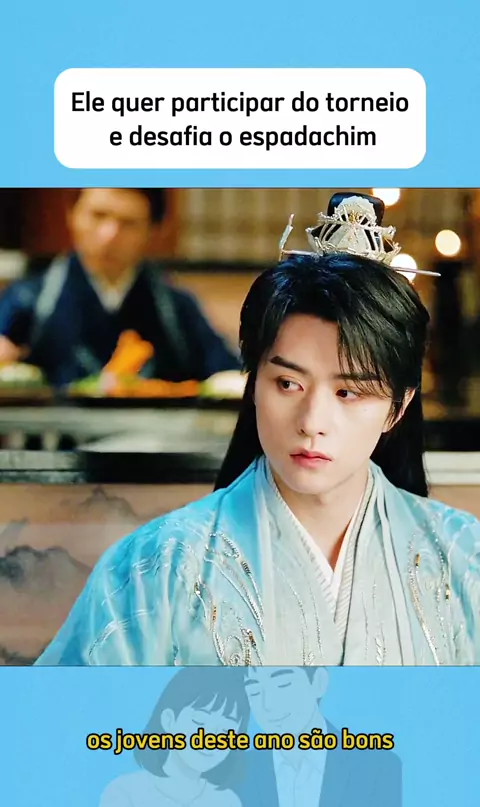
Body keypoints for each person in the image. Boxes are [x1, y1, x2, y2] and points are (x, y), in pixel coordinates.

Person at [34, 192, 480, 666]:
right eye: (287, 383)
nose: (312, 422)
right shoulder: (157, 565)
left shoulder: (464, 556)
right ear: (253, 383)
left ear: (398, 407)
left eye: (348, 393)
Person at [0, 188, 239, 386]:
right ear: (71, 214)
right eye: (98, 216)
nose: (110, 235)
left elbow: (225, 372)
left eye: (128, 223)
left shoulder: (175, 307)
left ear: (153, 230)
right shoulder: (30, 298)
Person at [234, 666, 401, 807]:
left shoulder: (377, 769)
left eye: (283, 684)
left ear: (319, 682)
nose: (268, 705)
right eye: (254, 692)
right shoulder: (237, 775)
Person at [98, 667, 247, 807]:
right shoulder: (123, 794)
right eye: (199, 722)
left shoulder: (228, 804)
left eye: (226, 731)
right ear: (169, 720)